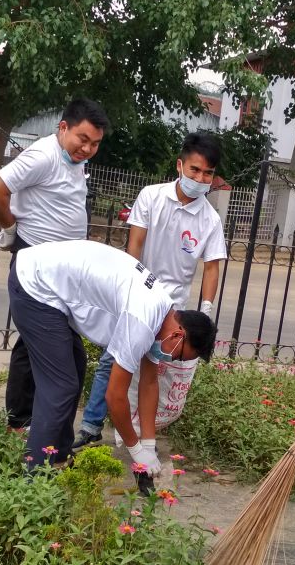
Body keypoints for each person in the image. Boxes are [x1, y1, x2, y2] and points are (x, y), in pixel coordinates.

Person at [7, 239, 216, 488]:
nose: (172, 360)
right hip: (35, 284)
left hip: (51, 282)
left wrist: (149, 446)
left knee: (75, 365)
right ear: (178, 335)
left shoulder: (163, 313)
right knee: (60, 387)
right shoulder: (143, 320)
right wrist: (135, 450)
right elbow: (115, 396)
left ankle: (59, 457)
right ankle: (35, 480)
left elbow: (149, 383)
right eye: (180, 356)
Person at [72, 131, 228, 451]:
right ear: (180, 165)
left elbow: (212, 266)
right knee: (112, 362)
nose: (200, 178)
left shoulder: (210, 220)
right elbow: (136, 245)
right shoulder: (152, 197)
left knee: (153, 371)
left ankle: (146, 436)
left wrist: (207, 310)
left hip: (173, 310)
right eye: (195, 170)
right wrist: (126, 289)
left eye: (208, 174)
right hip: (138, 294)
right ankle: (90, 426)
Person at [0, 98, 110, 430]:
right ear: (63, 127)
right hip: (38, 264)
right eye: (83, 139)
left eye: (95, 143)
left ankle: (25, 419)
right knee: (50, 347)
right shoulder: (43, 156)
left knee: (36, 343)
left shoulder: (72, 160)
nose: (88, 148)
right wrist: (11, 229)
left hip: (62, 270)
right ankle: (24, 421)